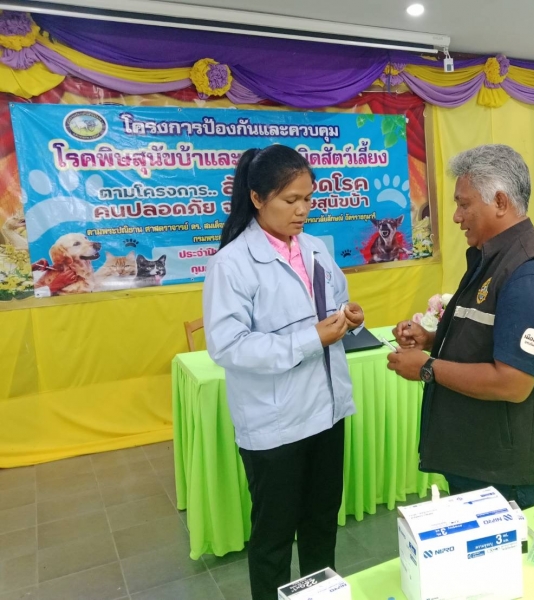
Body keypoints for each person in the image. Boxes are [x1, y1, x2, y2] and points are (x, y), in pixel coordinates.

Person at [203, 145, 364, 600]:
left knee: (321, 524)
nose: (302, 210)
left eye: (308, 199)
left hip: (326, 413)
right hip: (275, 425)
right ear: (257, 198)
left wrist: (349, 317)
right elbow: (228, 345)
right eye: (290, 200)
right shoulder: (231, 264)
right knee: (273, 538)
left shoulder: (315, 248)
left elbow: (335, 302)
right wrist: (311, 339)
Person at [387, 144, 534, 510]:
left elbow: (513, 382)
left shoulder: (529, 273)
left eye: (464, 204)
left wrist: (428, 368)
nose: (456, 217)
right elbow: (489, 335)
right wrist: (430, 339)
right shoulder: (493, 258)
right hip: (483, 454)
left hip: (512, 472)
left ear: (500, 202)